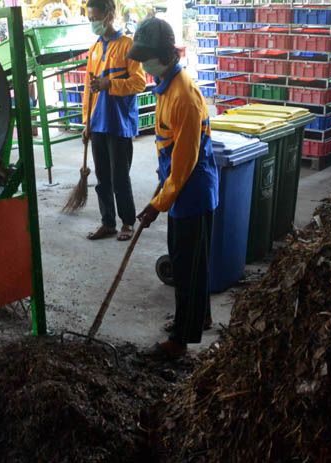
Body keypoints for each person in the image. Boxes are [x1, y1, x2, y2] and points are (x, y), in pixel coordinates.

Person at [128, 18, 219, 360]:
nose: (144, 64)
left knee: (186, 267)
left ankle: (179, 341)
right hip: (179, 185)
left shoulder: (183, 95)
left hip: (191, 191)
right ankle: (201, 316)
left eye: (148, 58)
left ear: (166, 55)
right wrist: (161, 187)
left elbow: (185, 164)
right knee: (193, 263)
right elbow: (169, 150)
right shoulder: (165, 85)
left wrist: (158, 204)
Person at [83, 0, 146, 242]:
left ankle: (127, 223)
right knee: (102, 178)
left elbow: (139, 83)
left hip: (119, 123)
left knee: (120, 177)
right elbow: (89, 91)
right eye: (89, 19)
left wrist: (111, 84)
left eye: (95, 18)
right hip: (98, 122)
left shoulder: (128, 46)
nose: (93, 23)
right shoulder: (95, 49)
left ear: (109, 15)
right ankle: (107, 222)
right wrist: (86, 123)